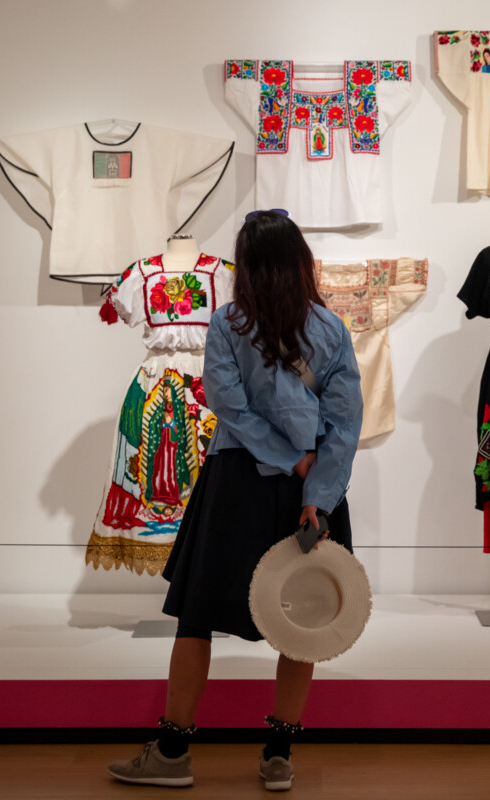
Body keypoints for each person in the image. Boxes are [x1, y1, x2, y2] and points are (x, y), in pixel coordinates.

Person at [108, 210, 363, 791]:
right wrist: (316, 489)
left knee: (197, 617)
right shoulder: (331, 328)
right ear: (300, 260)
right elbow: (345, 424)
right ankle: (278, 757)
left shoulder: (228, 322)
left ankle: (173, 752)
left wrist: (286, 459)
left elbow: (227, 403)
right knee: (305, 614)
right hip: (309, 493)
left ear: (245, 265)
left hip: (237, 485)